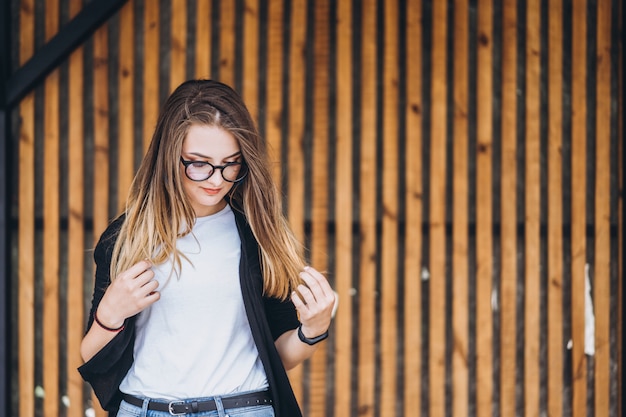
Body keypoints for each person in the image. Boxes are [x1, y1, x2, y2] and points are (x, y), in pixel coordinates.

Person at [78, 79, 336, 417]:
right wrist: (110, 314)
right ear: (170, 157)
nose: (217, 179)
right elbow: (90, 356)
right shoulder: (127, 238)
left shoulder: (258, 236)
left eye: (231, 163)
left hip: (243, 408)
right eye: (198, 163)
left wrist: (312, 330)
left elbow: (279, 358)